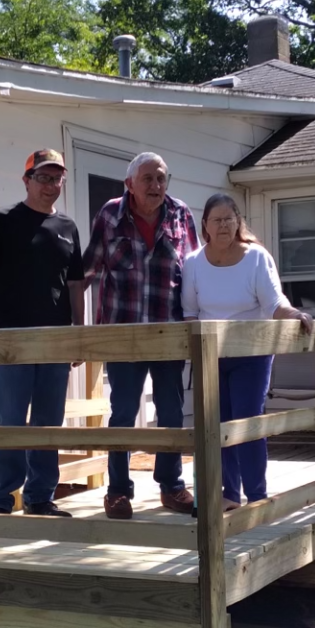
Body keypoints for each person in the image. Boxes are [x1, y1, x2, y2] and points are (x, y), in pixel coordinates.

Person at [82, 152, 199, 520]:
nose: (156, 185)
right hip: (124, 333)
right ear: (129, 183)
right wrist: (71, 321)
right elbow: (87, 269)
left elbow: (196, 272)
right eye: (147, 178)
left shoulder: (181, 213)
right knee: (123, 413)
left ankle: (172, 485)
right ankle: (117, 491)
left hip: (169, 332)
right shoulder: (109, 215)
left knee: (171, 412)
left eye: (162, 178)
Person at [181, 193, 313, 511]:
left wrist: (295, 315)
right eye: (217, 220)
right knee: (218, 424)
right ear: (205, 226)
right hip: (211, 356)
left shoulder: (256, 258)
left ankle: (256, 496)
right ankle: (230, 493)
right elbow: (189, 313)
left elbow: (274, 304)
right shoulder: (193, 263)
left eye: (230, 218)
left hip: (252, 356)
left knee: (248, 423)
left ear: (239, 223)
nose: (224, 225)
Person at [0, 149, 85, 517]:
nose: (51, 185)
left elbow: (74, 286)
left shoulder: (68, 228)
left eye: (57, 179)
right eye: (43, 178)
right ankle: (1, 500)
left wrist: (78, 336)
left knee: (49, 423)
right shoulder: (2, 219)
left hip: (55, 341)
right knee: (9, 421)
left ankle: (40, 498)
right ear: (27, 180)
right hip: (12, 341)